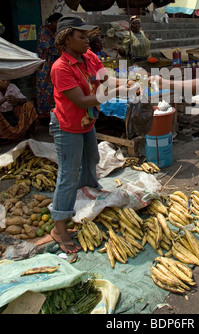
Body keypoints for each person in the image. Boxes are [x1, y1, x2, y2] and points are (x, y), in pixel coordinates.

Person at [49, 15, 137, 253]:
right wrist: (115, 91)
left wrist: (128, 81)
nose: (88, 41)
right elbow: (82, 99)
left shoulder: (89, 57)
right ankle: (59, 228)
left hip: (87, 122)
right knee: (68, 174)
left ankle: (86, 201)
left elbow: (107, 79)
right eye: (82, 36)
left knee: (92, 161)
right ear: (67, 39)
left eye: (88, 36)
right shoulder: (61, 68)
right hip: (67, 125)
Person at [36, 12, 62, 118]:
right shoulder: (44, 30)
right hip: (45, 65)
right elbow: (50, 47)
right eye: (58, 23)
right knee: (44, 88)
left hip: (54, 63)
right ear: (53, 22)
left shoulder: (55, 32)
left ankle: (54, 111)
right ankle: (44, 113)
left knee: (54, 88)